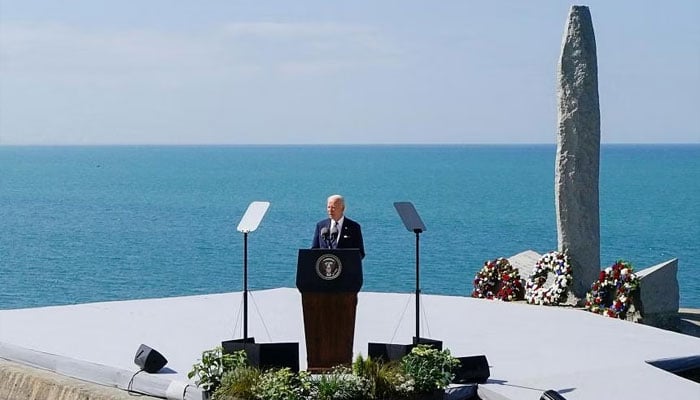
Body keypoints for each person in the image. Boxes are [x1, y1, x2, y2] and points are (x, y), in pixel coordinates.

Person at [312, 194, 365, 259]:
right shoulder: (320, 226)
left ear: (342, 208)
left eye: (333, 207)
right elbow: (314, 250)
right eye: (328, 207)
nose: (330, 210)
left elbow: (360, 253)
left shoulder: (354, 227)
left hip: (346, 268)